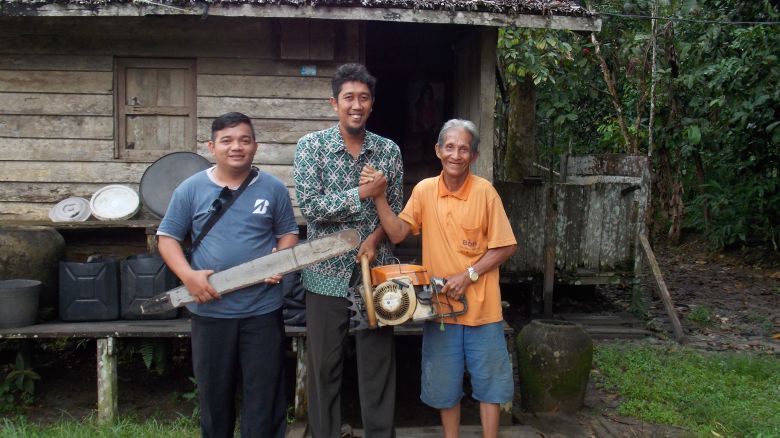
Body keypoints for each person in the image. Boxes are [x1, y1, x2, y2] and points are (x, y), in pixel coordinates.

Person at [363, 119, 517, 438]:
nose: (455, 155)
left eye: (463, 149)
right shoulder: (424, 191)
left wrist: (470, 274)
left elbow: (506, 246)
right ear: (438, 151)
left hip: (484, 312)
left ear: (473, 156)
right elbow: (398, 233)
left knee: (490, 387)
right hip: (441, 310)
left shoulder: (485, 192)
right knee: (445, 389)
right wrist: (378, 197)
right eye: (449, 147)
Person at [157, 112, 299, 438]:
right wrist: (188, 276)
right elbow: (167, 239)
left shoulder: (273, 188)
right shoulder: (190, 189)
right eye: (227, 140)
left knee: (264, 396)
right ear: (212, 146)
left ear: (255, 146)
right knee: (214, 396)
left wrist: (279, 258)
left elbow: (288, 233)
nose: (237, 147)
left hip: (263, 312)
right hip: (210, 310)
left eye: (244, 140)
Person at [293, 63, 404, 438]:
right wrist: (360, 193)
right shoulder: (312, 147)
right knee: (324, 364)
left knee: (378, 363)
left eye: (364, 98)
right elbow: (310, 206)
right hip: (325, 272)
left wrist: (372, 240)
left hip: (377, 271)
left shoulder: (388, 151)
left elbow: (397, 214)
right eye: (348, 98)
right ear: (334, 103)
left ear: (372, 104)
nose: (356, 105)